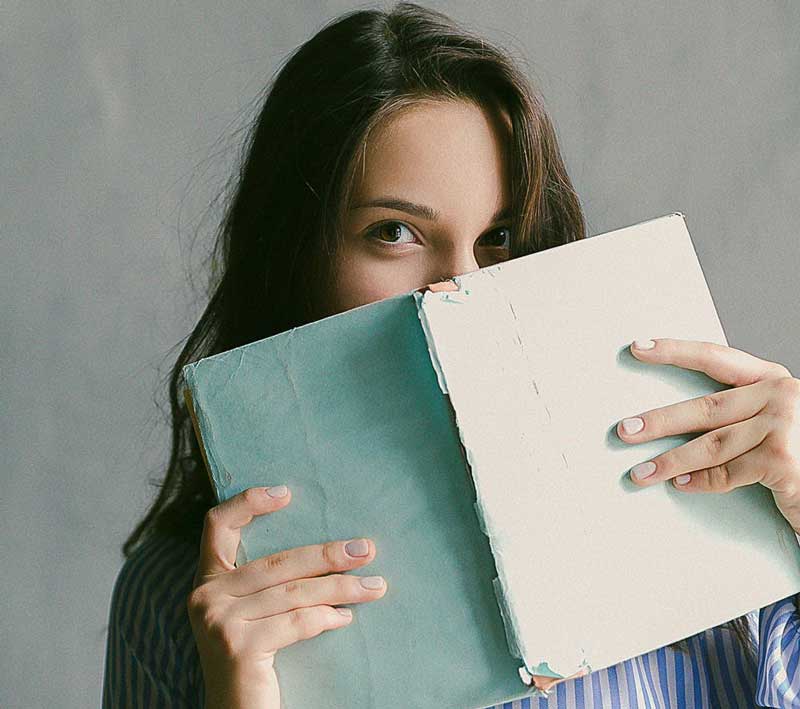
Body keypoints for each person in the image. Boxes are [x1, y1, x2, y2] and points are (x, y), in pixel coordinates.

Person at [102, 3, 800, 707]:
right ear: (297, 253)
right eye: (395, 231)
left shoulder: (711, 494)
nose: (461, 286)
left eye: (500, 235)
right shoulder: (179, 596)